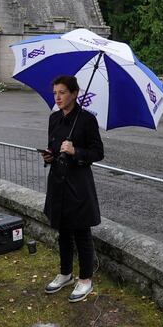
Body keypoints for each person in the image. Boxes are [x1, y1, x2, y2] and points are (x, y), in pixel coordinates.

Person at [40, 75, 104, 303]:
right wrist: (49, 155)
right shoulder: (54, 118)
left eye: (62, 92)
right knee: (63, 230)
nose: (57, 97)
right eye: (55, 93)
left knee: (81, 232)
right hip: (57, 180)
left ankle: (85, 278)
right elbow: (54, 147)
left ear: (75, 93)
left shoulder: (87, 120)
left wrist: (76, 151)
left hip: (78, 183)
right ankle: (65, 273)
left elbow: (98, 152)